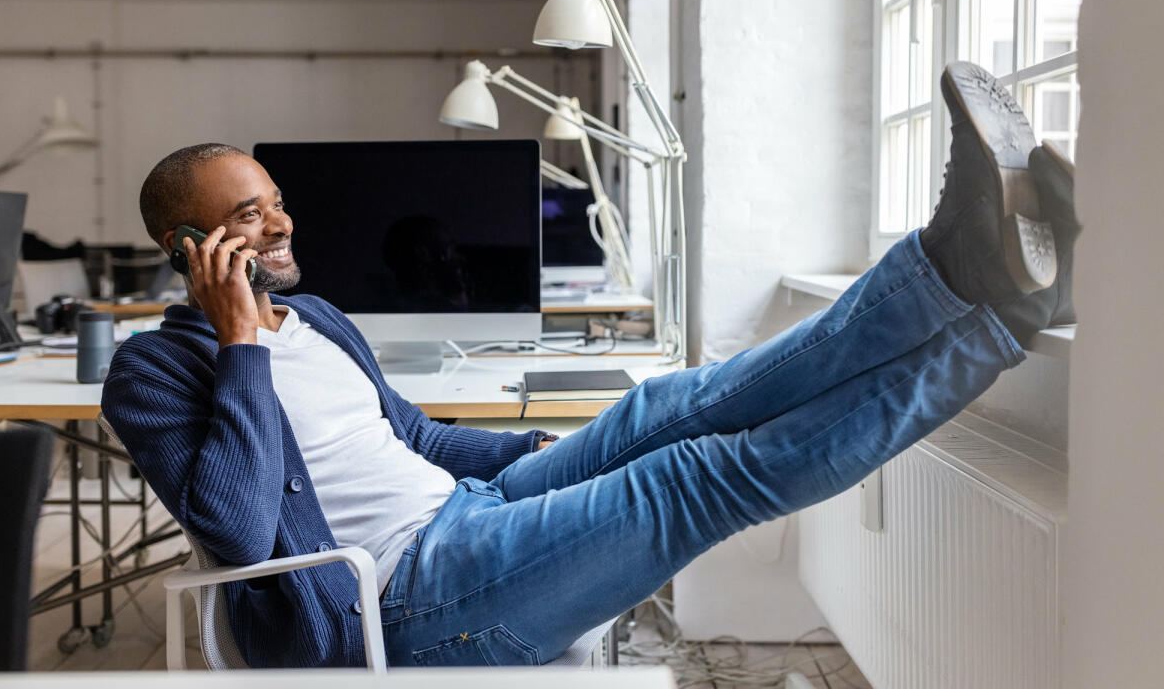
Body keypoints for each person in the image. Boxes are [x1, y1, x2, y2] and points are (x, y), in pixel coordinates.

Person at [101, 62, 1078, 668]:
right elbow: (232, 523)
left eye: (274, 199)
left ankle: (969, 275)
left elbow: (408, 435)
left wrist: (552, 449)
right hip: (399, 603)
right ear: (186, 247)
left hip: (467, 510)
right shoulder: (152, 372)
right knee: (695, 475)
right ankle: (988, 306)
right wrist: (238, 342)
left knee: (674, 405)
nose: (277, 221)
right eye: (244, 215)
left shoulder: (313, 314)